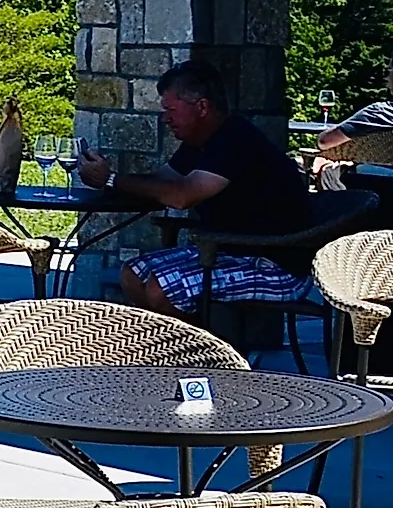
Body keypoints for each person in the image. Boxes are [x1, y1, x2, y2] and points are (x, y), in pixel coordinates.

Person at [78, 60, 312, 320]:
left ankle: (196, 355)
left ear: (201, 107)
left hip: (274, 264)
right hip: (227, 251)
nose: (165, 118)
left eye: (171, 110)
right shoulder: (198, 142)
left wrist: (111, 179)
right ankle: (163, 352)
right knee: (133, 273)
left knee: (161, 289)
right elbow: (161, 181)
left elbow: (182, 195)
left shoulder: (235, 139)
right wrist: (109, 177)